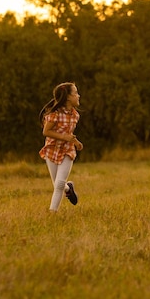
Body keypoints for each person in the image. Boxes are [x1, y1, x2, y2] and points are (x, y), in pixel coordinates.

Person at [39, 82, 84, 212]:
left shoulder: (75, 115)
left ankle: (52, 213)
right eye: (75, 93)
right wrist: (65, 137)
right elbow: (46, 132)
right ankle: (68, 189)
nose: (78, 96)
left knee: (58, 184)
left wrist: (76, 143)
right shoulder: (55, 114)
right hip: (52, 149)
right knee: (58, 185)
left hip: (67, 151)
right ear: (68, 97)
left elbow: (69, 133)